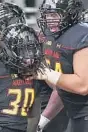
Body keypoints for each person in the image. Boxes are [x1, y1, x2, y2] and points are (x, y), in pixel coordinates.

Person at [34, 0, 88, 132]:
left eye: (55, 15)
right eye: (47, 15)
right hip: (76, 114)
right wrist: (43, 120)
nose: (49, 19)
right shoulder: (51, 35)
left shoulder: (82, 35)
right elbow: (62, 86)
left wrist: (47, 73)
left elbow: (83, 86)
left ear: (70, 14)